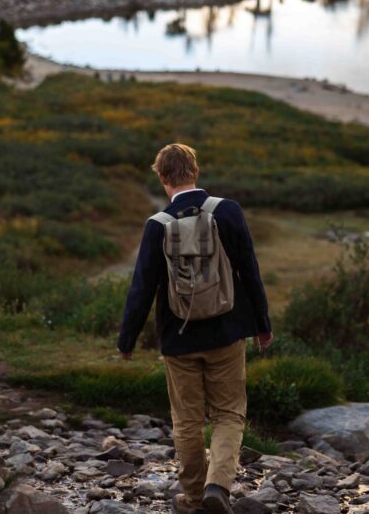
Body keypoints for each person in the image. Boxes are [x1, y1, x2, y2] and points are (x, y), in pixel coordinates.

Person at [117, 143, 273, 514]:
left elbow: (142, 288)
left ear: (162, 177)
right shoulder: (228, 211)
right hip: (227, 332)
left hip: (178, 338)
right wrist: (262, 325)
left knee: (186, 420)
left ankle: (192, 498)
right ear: (196, 172)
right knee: (229, 413)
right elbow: (250, 271)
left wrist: (127, 340)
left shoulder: (157, 225)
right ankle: (218, 486)